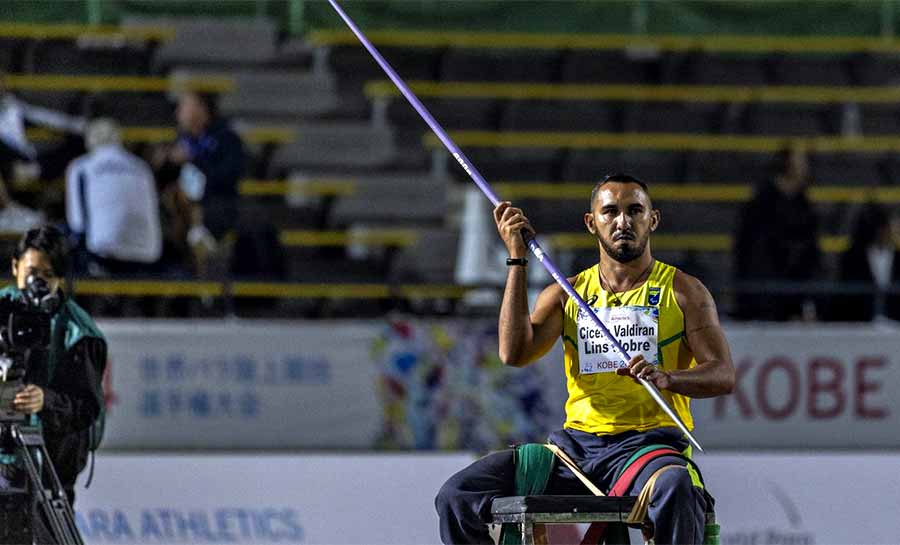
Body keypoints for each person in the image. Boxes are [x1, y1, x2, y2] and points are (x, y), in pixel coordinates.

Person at [435, 174, 735, 545]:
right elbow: (513, 353)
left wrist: (668, 377)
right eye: (610, 211)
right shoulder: (567, 293)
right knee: (456, 495)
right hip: (574, 451)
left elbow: (722, 375)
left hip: (645, 449)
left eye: (634, 211)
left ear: (652, 220)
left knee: (676, 486)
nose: (622, 221)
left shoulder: (684, 291)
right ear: (592, 223)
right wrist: (516, 260)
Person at [0, 226, 107, 506]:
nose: (38, 283)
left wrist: (45, 400)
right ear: (15, 267)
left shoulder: (78, 332)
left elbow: (87, 407)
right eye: (32, 272)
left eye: (48, 276)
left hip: (52, 469)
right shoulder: (2, 309)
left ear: (61, 278)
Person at [152, 91, 245, 272]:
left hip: (215, 212)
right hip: (181, 216)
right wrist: (163, 163)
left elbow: (227, 178)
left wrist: (193, 159)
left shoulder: (226, 139)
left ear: (201, 108)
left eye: (184, 106)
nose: (178, 112)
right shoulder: (182, 141)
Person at [733, 142, 821, 321]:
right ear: (787, 164)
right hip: (765, 294)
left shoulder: (803, 203)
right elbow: (751, 250)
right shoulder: (763, 201)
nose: (805, 166)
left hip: (795, 291)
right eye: (800, 161)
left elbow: (810, 251)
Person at [66, 118, 162, 275]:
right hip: (148, 254)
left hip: (104, 255)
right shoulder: (142, 167)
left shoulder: (80, 167)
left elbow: (76, 223)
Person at [827, 202, 900, 321]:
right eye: (882, 229)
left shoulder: (898, 257)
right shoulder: (852, 258)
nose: (886, 232)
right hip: (860, 322)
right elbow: (844, 295)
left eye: (887, 228)